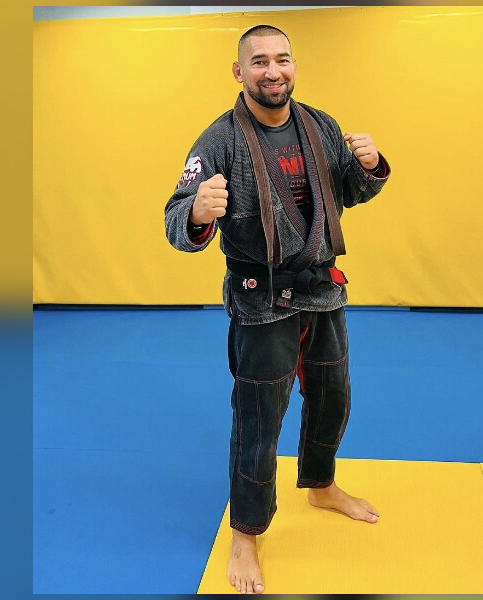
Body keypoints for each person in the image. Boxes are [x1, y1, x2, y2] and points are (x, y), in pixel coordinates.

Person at [164, 24, 391, 594]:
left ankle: (321, 484)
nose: (273, 71)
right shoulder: (218, 141)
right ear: (239, 71)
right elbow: (174, 219)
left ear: (294, 65)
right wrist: (197, 214)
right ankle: (246, 533)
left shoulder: (320, 125)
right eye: (259, 61)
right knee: (259, 420)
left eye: (282, 59)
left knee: (333, 396)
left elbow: (348, 192)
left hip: (321, 289)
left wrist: (369, 167)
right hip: (260, 298)